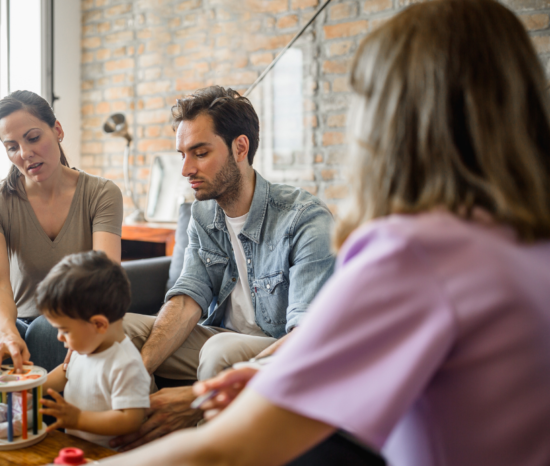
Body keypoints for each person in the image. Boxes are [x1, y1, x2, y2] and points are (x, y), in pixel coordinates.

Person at [99, 0, 550, 464]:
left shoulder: (411, 251)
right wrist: (276, 379)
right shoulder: (527, 244)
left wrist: (222, 393)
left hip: (262, 349)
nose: (187, 169)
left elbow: (223, 450)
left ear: (389, 120)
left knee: (223, 353)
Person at [112, 86, 336, 450]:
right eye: (183, 154)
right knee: (119, 330)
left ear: (240, 148)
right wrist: (141, 367)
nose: (186, 169)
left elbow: (307, 335)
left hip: (273, 349)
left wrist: (198, 395)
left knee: (220, 350)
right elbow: (188, 298)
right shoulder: (204, 214)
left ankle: (205, 454)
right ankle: (134, 446)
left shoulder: (305, 220)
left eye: (200, 153)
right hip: (217, 336)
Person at [0, 90, 123, 375]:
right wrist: (6, 334)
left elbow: (105, 275)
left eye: (33, 137)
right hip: (18, 318)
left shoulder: (102, 193)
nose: (25, 153)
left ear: (57, 130)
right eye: (11, 146)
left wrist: (81, 326)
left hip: (79, 317)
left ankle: (47, 418)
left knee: (46, 330)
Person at [36, 251, 151, 449]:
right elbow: (64, 375)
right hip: (78, 448)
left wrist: (79, 419)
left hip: (109, 455)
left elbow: (130, 419)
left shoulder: (126, 363)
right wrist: (31, 388)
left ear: (99, 324)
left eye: (64, 330)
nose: (59, 337)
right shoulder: (84, 349)